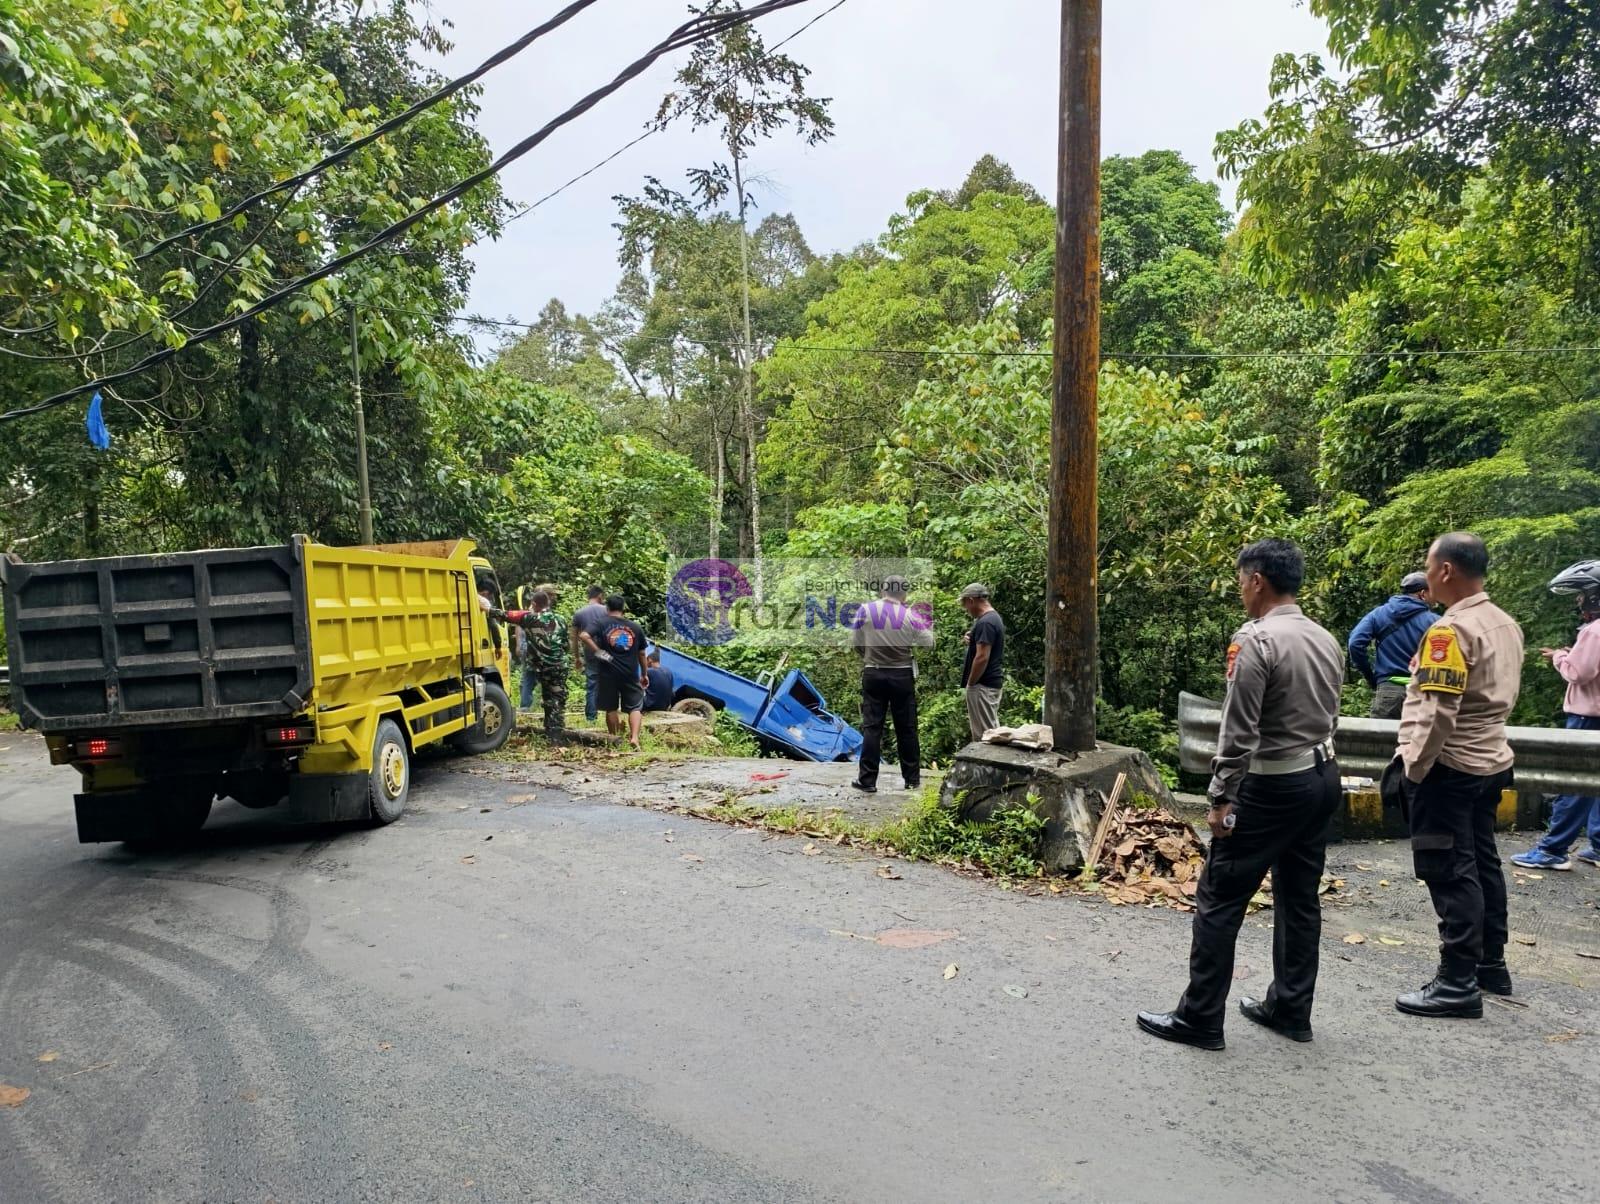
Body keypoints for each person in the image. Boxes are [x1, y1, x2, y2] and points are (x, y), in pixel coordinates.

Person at [1137, 539, 1343, 1052]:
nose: (1240, 592)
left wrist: (1221, 796)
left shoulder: (1256, 640)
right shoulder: (1323, 638)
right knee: (1299, 898)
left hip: (1271, 788)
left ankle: (1200, 1017)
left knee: (1220, 898)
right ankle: (1291, 1008)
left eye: (1239, 582)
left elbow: (1239, 729)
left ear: (1256, 581)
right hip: (1321, 778)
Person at [1392, 531, 1524, 1018]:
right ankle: (1490, 964)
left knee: (1450, 870)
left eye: (1429, 568)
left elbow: (1437, 711)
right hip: (1491, 760)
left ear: (1445, 571)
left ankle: (1456, 983)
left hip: (1449, 765)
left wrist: (1415, 766)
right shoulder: (1504, 623)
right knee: (1482, 862)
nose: (1426, 577)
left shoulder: (1450, 631)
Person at [1511, 560, 1600, 872]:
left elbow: (1579, 672)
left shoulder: (1594, 631)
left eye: (1582, 595)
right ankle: (1598, 846)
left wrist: (1560, 656)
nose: (1579, 602)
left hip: (1588, 718)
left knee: (1574, 786)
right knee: (1595, 784)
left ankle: (1553, 850)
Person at [849, 576, 934, 794]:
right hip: (902, 675)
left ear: (883, 591)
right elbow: (928, 642)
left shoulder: (865, 610)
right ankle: (912, 780)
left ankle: (867, 780)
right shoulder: (910, 615)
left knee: (872, 727)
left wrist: (868, 655)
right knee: (906, 728)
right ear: (903, 594)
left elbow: (855, 643)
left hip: (873, 673)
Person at [1348, 571, 1436, 719]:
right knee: (1419, 740)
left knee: (1380, 741)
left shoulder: (1378, 614)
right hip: (1422, 692)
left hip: (1389, 691)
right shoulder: (1435, 622)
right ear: (1422, 593)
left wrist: (1372, 678)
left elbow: (1355, 643)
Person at [492, 591, 569, 739]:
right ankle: (553, 732)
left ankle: (554, 735)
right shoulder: (561, 619)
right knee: (556, 699)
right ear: (548, 603)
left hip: (541, 666)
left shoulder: (529, 618)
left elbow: (503, 614)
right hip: (559, 665)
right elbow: (565, 643)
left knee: (549, 699)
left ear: (534, 604)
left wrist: (486, 607)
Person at [579, 594, 649, 751]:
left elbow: (583, 635)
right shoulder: (635, 627)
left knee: (611, 708)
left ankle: (615, 739)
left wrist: (599, 652)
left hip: (608, 672)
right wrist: (644, 674)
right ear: (623, 609)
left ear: (607, 608)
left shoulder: (601, 623)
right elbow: (642, 653)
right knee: (635, 707)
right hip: (630, 673)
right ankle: (635, 738)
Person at [958, 583, 1004, 743]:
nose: (966, 609)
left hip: (982, 685)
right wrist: (972, 639)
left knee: (986, 737)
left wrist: (971, 683)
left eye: (965, 605)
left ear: (971, 600)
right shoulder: (989, 619)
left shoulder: (986, 622)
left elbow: (982, 657)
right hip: (987, 684)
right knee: (990, 732)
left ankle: (990, 767)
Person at [570, 585, 608, 725]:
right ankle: (610, 712)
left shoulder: (579, 613)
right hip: (606, 652)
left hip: (590, 652)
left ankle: (591, 717)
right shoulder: (607, 610)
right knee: (609, 682)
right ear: (600, 596)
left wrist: (576, 657)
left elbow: (574, 638)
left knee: (592, 684)